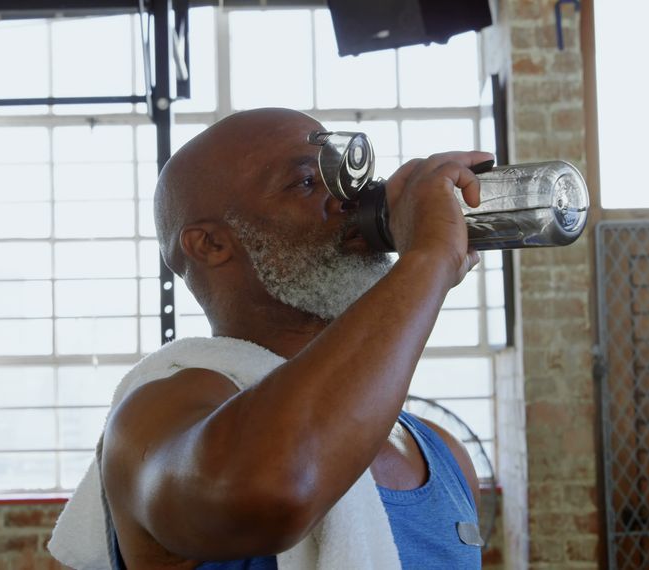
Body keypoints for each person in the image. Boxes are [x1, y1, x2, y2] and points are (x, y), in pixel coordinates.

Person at [49, 107, 494, 569]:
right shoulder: (151, 418)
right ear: (211, 245)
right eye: (306, 182)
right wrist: (428, 260)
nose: (349, 198)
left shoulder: (444, 454)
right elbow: (280, 486)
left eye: (345, 177)